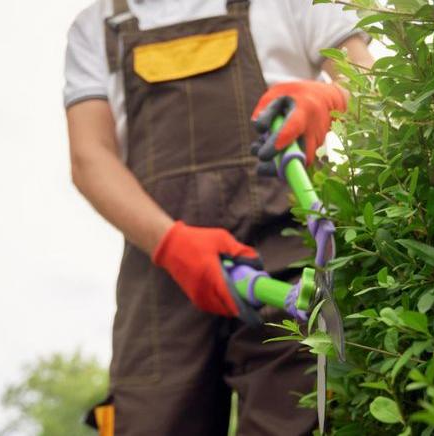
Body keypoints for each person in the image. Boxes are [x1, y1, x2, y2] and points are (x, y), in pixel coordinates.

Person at [64, 1, 374, 434]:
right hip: (161, 271)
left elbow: (371, 81)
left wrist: (334, 97)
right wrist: (171, 244)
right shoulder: (96, 27)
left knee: (300, 416)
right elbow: (89, 157)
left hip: (289, 256)